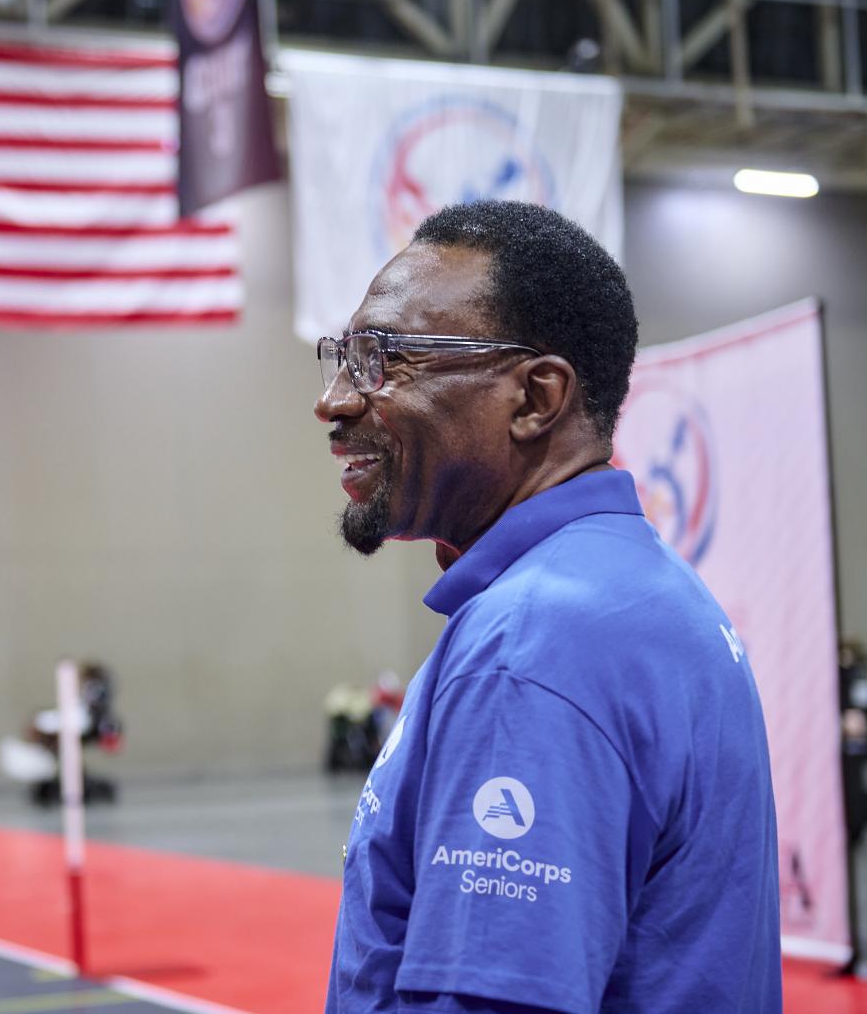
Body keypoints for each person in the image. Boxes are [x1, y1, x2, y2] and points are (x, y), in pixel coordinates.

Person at [314, 201, 780, 1013]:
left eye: (383, 358)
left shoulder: (531, 645)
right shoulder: (635, 590)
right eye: (345, 356)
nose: (335, 400)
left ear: (535, 397)